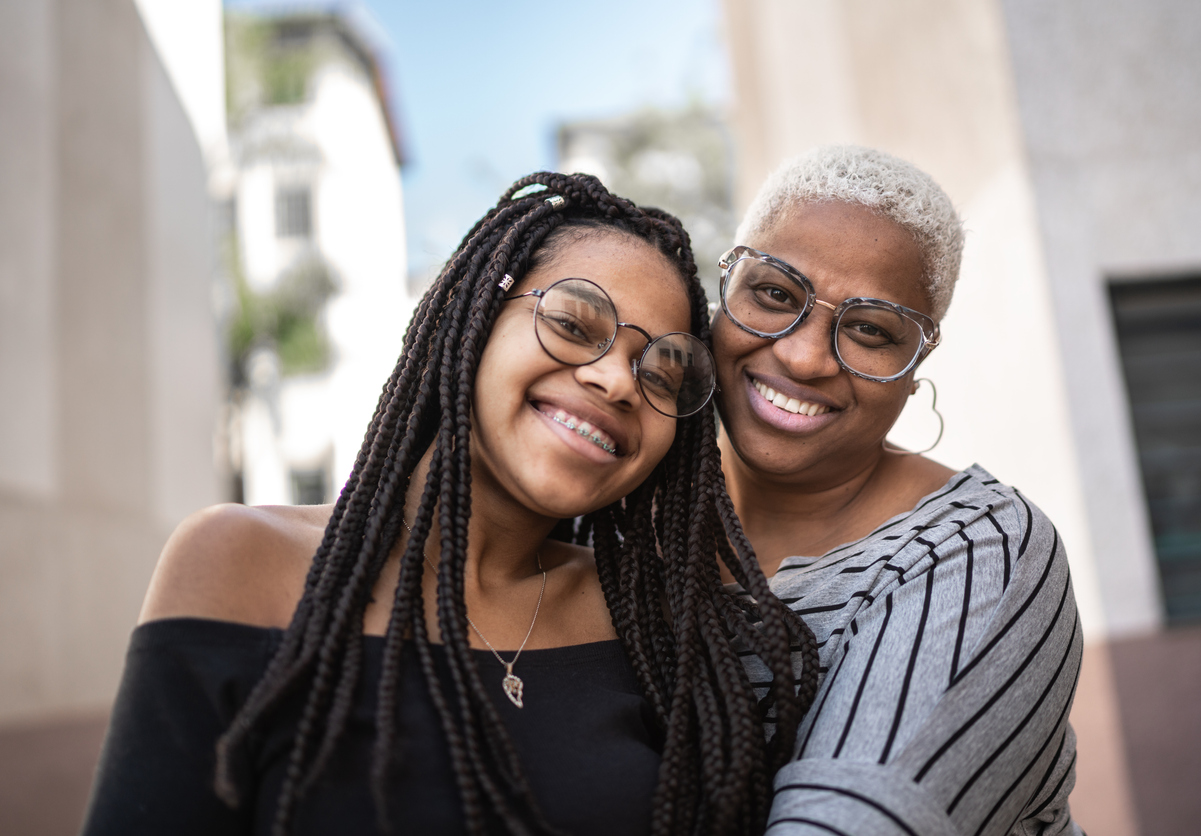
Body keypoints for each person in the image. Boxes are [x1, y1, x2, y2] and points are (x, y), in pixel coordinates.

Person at [80, 172, 819, 836]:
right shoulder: (244, 563)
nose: (618, 383)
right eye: (571, 324)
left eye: (662, 371)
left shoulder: (661, 629)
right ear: (470, 320)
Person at [712, 146, 1082, 835]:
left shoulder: (979, 550)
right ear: (723, 291)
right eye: (773, 293)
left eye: (869, 330)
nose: (802, 355)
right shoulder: (613, 517)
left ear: (917, 364)